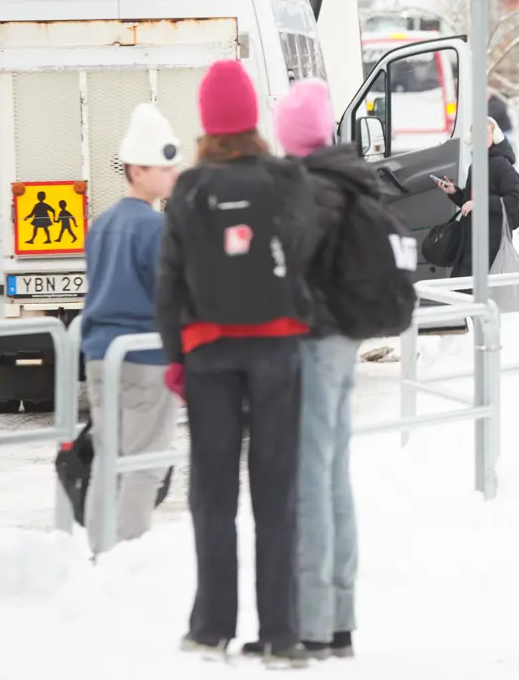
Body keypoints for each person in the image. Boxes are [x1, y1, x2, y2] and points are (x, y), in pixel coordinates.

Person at [156, 59, 318, 664]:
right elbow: (303, 251)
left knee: (214, 495)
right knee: (276, 493)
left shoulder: (190, 189)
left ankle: (210, 627)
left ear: (206, 122)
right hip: (278, 348)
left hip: (208, 354)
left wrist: (176, 357)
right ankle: (280, 633)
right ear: (253, 118)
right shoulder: (285, 179)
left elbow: (168, 282)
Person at [272, 79, 375, 660]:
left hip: (313, 342)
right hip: (344, 340)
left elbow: (285, 266)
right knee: (335, 477)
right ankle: (339, 616)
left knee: (310, 479)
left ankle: (312, 623)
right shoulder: (351, 177)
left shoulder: (308, 189)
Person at [81, 103, 182, 555]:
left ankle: (99, 550)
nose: (173, 173)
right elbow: (169, 297)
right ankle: (128, 556)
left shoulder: (101, 226)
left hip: (100, 355)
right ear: (138, 170)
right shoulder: (157, 228)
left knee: (109, 457)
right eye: (165, 166)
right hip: (146, 356)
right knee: (146, 464)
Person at [439, 116, 519, 279]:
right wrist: (454, 192)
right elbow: (469, 203)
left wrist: (479, 204)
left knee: (475, 291)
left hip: (491, 242)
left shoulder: (502, 165)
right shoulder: (476, 165)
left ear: (495, 135)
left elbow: (513, 200)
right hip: (472, 239)